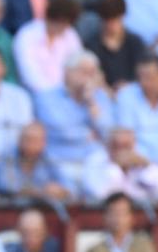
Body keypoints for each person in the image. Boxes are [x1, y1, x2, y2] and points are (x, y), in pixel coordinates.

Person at [32, 51, 113, 192]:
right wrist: (89, 135)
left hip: (93, 159)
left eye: (92, 73)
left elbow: (109, 134)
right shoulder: (46, 97)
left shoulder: (99, 97)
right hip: (61, 159)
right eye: (84, 72)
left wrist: (91, 102)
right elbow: (63, 132)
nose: (88, 78)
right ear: (67, 73)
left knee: (112, 175)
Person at [11, 0, 82, 95]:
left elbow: (77, 65)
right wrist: (53, 95)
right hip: (34, 95)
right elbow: (29, 75)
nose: (65, 27)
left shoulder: (70, 34)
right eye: (62, 23)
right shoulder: (27, 35)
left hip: (67, 94)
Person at [83, 124, 158, 204]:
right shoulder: (95, 162)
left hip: (139, 213)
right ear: (107, 146)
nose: (121, 152)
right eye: (116, 146)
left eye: (126, 146)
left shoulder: (144, 161)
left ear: (134, 146)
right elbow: (99, 194)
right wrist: (115, 167)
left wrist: (146, 167)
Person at [84, 0, 153, 93]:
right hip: (102, 96)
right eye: (107, 20)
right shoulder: (91, 45)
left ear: (123, 17)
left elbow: (144, 71)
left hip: (133, 94)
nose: (111, 25)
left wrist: (130, 86)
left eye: (115, 19)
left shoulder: (135, 42)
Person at [0, 120, 69, 200]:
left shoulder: (50, 157)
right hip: (11, 207)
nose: (30, 145)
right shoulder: (7, 156)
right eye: (27, 139)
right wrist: (41, 192)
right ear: (19, 141)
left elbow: (68, 186)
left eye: (35, 140)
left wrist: (60, 191)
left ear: (44, 143)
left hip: (43, 208)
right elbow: (4, 186)